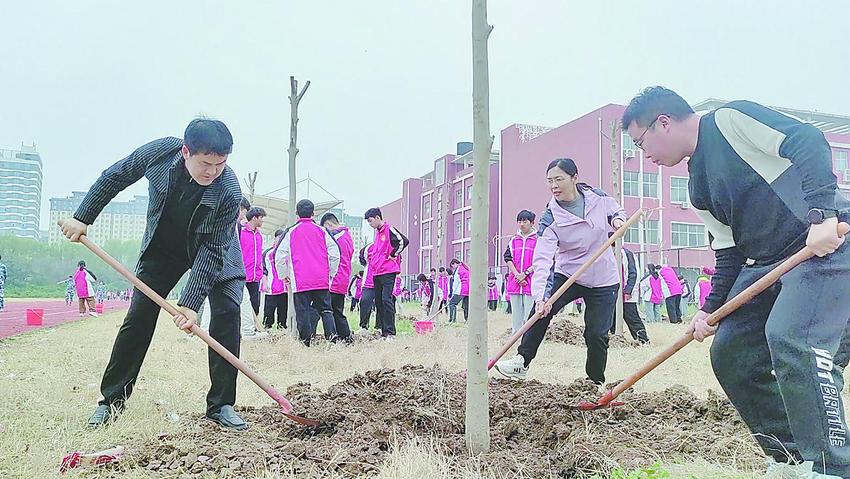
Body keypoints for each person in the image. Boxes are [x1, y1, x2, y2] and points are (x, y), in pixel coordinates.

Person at [623, 86, 850, 477]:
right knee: (730, 352)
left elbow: (806, 140)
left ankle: (833, 467)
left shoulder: (730, 121)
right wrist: (709, 310)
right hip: (767, 263)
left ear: (663, 122)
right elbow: (728, 253)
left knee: (793, 338)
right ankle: (791, 457)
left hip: (821, 244)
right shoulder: (697, 188)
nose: (644, 154)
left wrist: (821, 216)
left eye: (640, 142)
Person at [60, 118, 249, 431]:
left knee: (228, 313)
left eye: (221, 164)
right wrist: (83, 217)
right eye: (205, 163)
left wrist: (191, 302)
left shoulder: (229, 190)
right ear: (186, 151)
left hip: (217, 250)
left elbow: (213, 251)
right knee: (139, 317)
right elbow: (115, 176)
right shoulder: (160, 152)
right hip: (164, 248)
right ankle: (112, 401)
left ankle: (221, 405)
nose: (212, 172)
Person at [495, 158, 626, 384]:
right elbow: (543, 259)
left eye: (559, 179)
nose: (554, 185)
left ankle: (594, 382)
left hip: (603, 278)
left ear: (574, 178)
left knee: (596, 334)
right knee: (541, 312)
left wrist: (617, 221)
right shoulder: (550, 218)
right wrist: (540, 297)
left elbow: (616, 210)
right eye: (549, 181)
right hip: (568, 273)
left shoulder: (598, 198)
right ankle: (521, 362)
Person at [276, 200, 340, 345]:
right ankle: (332, 341)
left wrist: (283, 275)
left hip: (300, 280)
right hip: (321, 279)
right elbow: (335, 254)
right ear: (313, 213)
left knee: (303, 311)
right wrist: (331, 272)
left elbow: (279, 255)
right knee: (326, 310)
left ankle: (306, 342)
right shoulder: (323, 231)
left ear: (297, 213)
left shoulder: (290, 232)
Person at [364, 207, 409, 339]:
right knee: (378, 302)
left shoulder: (389, 229)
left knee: (386, 300)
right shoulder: (377, 233)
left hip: (388, 271)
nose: (370, 224)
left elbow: (403, 241)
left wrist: (393, 254)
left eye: (371, 221)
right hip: (377, 271)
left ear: (378, 217)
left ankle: (391, 332)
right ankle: (384, 332)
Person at [320, 212, 354, 342]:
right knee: (337, 311)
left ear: (329, 224)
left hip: (334, 279)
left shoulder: (337, 237)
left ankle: (339, 338)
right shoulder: (347, 236)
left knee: (330, 311)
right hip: (342, 279)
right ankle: (345, 338)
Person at [504, 209, 537, 333]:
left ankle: (528, 339)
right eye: (519, 221)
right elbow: (507, 258)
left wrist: (526, 273)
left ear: (532, 223)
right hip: (515, 281)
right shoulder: (513, 240)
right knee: (516, 315)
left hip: (531, 281)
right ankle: (515, 337)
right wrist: (517, 275)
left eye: (524, 221)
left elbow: (540, 261)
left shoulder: (538, 240)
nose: (521, 224)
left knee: (530, 314)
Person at [610, 247, 650, 344]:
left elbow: (633, 273)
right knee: (611, 318)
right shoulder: (608, 252)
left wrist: (628, 290)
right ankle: (615, 339)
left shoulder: (626, 254)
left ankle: (643, 341)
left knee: (631, 317)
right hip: (613, 293)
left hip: (626, 294)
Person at [240, 207, 267, 321]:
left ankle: (254, 327)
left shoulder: (259, 236)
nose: (262, 221)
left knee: (255, 304)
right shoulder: (241, 232)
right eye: (261, 218)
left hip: (256, 277)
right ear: (255, 218)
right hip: (243, 275)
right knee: (242, 304)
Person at [261, 229, 287, 329]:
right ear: (275, 239)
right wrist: (264, 282)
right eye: (279, 238)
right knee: (269, 309)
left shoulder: (286, 253)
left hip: (284, 287)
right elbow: (263, 269)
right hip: (271, 287)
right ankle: (267, 327)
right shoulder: (267, 253)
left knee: (283, 309)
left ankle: (282, 327)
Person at [447, 258, 470, 322]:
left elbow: (456, 283)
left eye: (452, 267)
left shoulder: (458, 270)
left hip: (461, 289)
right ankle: (467, 320)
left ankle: (452, 320)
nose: (453, 268)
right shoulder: (466, 268)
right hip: (468, 290)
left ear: (454, 264)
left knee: (452, 303)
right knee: (466, 306)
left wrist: (453, 294)